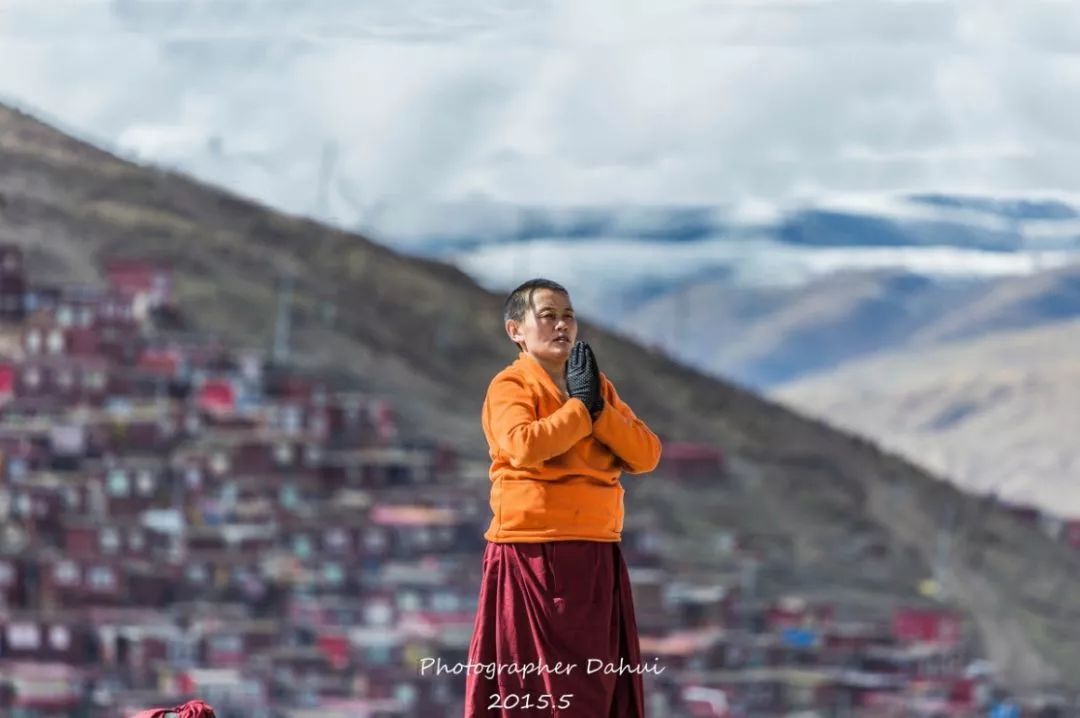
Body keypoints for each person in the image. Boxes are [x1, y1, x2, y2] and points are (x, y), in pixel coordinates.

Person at [464, 278, 663, 717]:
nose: (562, 326)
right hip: (532, 551)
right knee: (531, 686)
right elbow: (524, 446)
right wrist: (579, 410)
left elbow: (646, 454)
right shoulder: (511, 385)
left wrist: (598, 409)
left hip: (596, 550)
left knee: (595, 686)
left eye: (568, 316)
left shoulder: (595, 386)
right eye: (548, 316)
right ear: (516, 331)